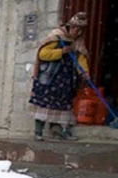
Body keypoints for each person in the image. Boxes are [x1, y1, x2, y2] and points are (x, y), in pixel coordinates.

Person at [30, 12, 90, 141]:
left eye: (80, 31)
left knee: (61, 105)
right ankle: (38, 132)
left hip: (65, 79)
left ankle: (57, 131)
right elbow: (43, 54)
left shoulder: (77, 42)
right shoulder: (56, 36)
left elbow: (80, 57)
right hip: (50, 77)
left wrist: (84, 71)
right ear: (71, 27)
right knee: (44, 103)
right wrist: (61, 51)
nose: (78, 33)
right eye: (76, 30)